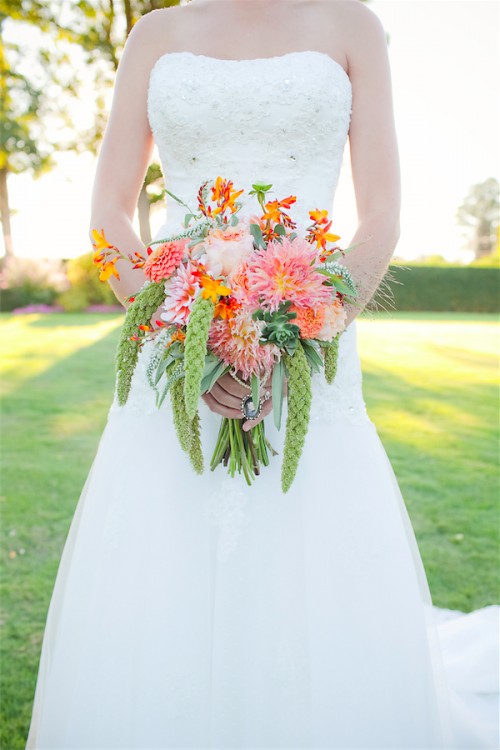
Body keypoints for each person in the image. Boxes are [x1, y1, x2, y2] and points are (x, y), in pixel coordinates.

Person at [26, 1, 498, 748]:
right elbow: (109, 211)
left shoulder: (351, 26)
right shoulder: (155, 36)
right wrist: (184, 327)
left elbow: (381, 218)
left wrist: (302, 326)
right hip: (175, 356)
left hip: (311, 343)